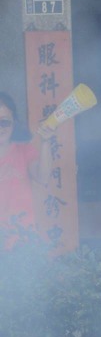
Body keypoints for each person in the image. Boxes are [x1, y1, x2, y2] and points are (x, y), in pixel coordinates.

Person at [0, 92, 55, 245]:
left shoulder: (25, 151)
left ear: (14, 123)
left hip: (22, 243)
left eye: (4, 122)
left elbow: (43, 177)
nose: (0, 128)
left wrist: (46, 141)